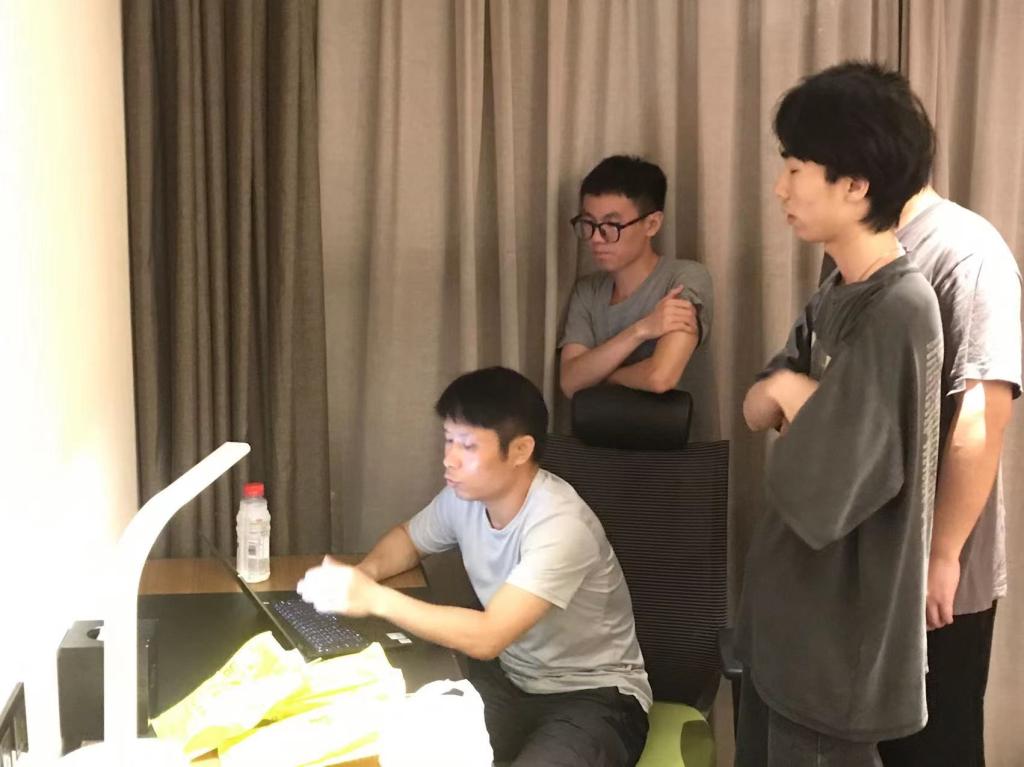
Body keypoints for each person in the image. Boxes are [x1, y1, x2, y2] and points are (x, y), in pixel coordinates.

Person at [735, 62, 943, 765]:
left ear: (855, 185)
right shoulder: (834, 290)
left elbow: (825, 490)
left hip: (834, 651)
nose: (780, 188)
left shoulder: (901, 309)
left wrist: (795, 395)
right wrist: (791, 394)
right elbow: (755, 404)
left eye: (796, 169)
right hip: (786, 629)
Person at [297, 366, 651, 766]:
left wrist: (374, 599)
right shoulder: (464, 498)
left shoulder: (561, 524)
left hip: (596, 698)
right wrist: (366, 573)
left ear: (520, 450)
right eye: (448, 440)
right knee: (400, 748)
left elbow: (488, 636)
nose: (449, 459)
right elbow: (408, 540)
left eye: (467, 446)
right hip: (511, 681)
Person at [818, 184, 1021, 767]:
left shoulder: (967, 251)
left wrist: (943, 556)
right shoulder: (851, 248)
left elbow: (982, 413)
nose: (791, 187)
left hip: (929, 574)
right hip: (858, 558)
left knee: (933, 749)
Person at [559, 155, 715, 439]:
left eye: (612, 226)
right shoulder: (588, 290)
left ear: (652, 224)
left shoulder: (684, 278)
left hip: (676, 449)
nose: (596, 238)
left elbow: (660, 377)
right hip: (595, 445)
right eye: (589, 223)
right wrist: (642, 329)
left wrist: (601, 376)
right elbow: (570, 382)